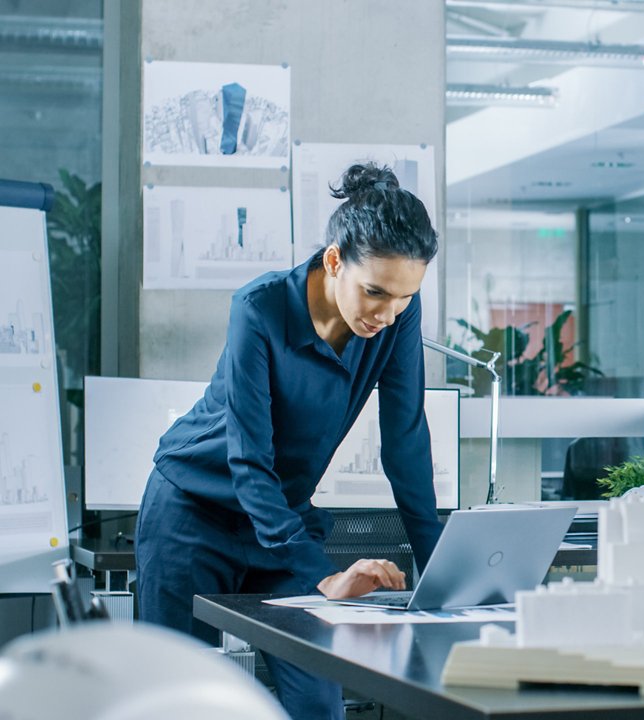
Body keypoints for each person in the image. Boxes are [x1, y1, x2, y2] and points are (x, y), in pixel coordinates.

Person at [136, 163, 444, 720]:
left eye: (403, 297)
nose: (386, 313)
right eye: (374, 292)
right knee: (176, 698)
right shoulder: (259, 308)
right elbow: (249, 461)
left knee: (319, 700)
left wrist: (443, 572)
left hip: (281, 518)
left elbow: (405, 439)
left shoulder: (396, 313)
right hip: (193, 511)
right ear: (334, 261)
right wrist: (323, 572)